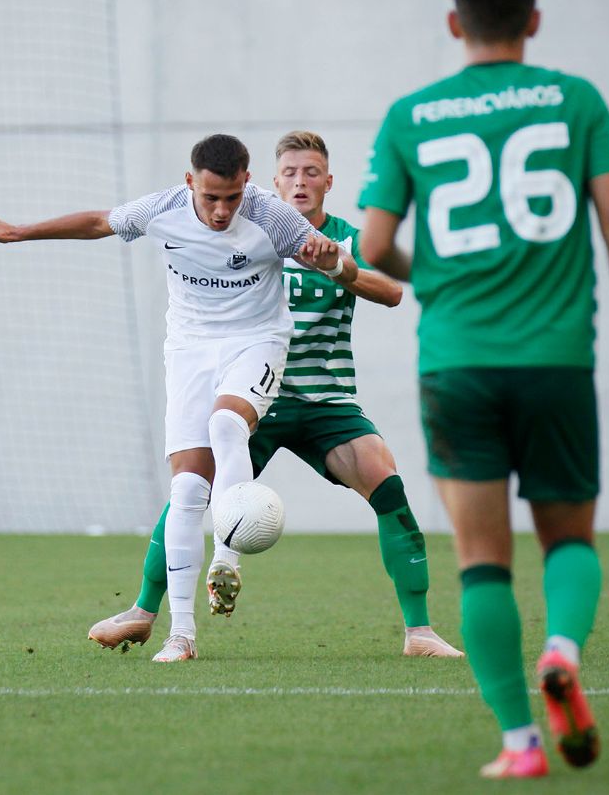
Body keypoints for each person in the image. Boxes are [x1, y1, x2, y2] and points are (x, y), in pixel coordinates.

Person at [358, 0, 609, 778]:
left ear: (455, 23)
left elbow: (375, 247)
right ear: (534, 20)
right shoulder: (576, 99)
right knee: (569, 539)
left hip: (457, 364)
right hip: (555, 362)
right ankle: (561, 650)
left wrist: (442, 275)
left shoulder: (411, 115)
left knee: (482, 560)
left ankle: (521, 745)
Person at [0, 134, 355, 662]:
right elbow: (98, 221)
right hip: (190, 350)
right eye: (210, 197)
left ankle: (228, 556)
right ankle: (181, 636)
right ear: (190, 182)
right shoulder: (163, 208)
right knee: (188, 488)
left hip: (256, 341)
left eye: (232, 197)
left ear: (247, 182)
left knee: (225, 425)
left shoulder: (272, 216)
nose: (222, 211)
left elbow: (341, 267)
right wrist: (19, 232)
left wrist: (334, 262)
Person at [87, 130, 463, 659]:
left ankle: (419, 632)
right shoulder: (254, 232)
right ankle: (145, 610)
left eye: (312, 173)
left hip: (326, 401)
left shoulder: (343, 240)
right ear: (270, 182)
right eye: (290, 173)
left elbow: (392, 291)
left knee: (387, 484)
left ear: (329, 182)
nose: (300, 182)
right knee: (190, 491)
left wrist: (336, 264)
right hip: (256, 401)